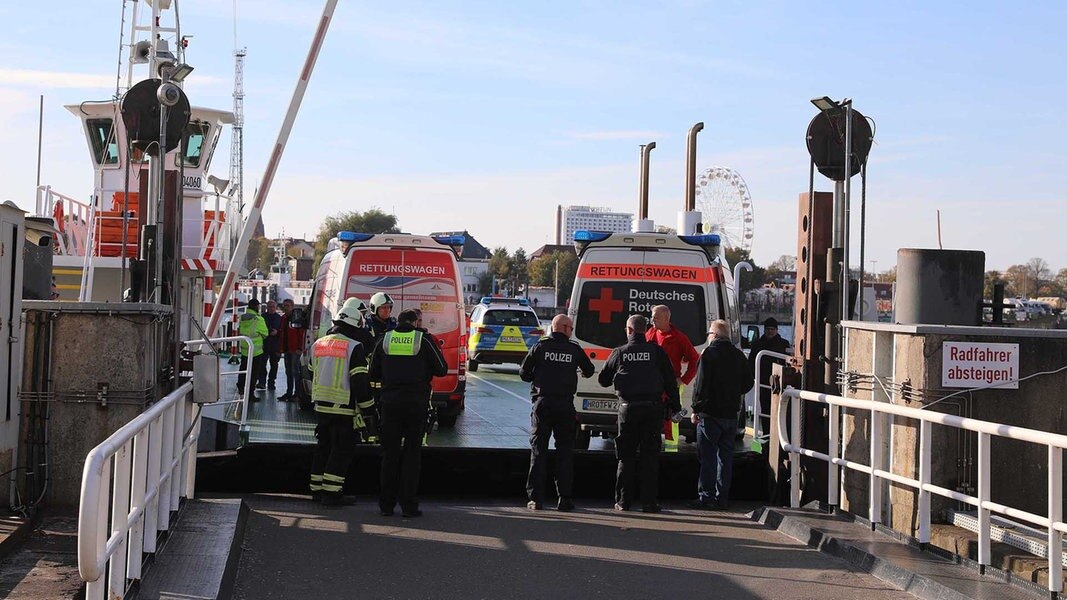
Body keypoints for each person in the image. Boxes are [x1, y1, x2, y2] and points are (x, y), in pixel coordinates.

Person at [370, 309, 448, 517]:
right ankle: (408, 506)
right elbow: (441, 368)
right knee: (412, 455)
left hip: (390, 404)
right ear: (414, 322)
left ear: (399, 321)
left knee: (389, 455)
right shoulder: (423, 339)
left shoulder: (385, 339)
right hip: (416, 405)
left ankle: (386, 505)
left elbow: (373, 371)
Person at [598, 314, 679, 513]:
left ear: (629, 330)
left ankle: (623, 502)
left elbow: (603, 380)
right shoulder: (657, 352)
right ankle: (649, 503)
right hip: (653, 410)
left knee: (626, 456)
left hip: (628, 410)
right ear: (645, 330)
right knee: (650, 457)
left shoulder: (620, 352)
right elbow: (670, 381)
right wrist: (676, 407)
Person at [519, 314, 595, 512]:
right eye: (570, 328)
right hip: (564, 406)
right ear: (563, 327)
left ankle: (536, 499)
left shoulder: (540, 347)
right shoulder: (574, 349)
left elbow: (523, 374)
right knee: (565, 452)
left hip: (542, 404)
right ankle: (565, 499)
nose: (571, 331)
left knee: (538, 451)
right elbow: (589, 370)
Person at [308, 298, 374, 506]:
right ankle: (332, 493)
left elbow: (310, 373)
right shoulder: (354, 347)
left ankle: (317, 490)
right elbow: (359, 382)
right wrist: (369, 409)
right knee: (341, 449)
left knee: (323, 447)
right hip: (343, 408)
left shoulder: (317, 344)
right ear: (355, 326)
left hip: (320, 406)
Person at [689, 319, 753, 510]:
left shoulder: (708, 354)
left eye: (709, 333)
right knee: (725, 458)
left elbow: (700, 385)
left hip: (710, 414)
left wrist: (696, 409)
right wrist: (734, 393)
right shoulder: (738, 355)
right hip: (731, 414)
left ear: (714, 335)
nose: (708, 337)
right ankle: (722, 497)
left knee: (708, 456)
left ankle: (706, 498)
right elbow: (748, 383)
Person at [645, 305, 700, 450]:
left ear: (666, 319)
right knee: (650, 418)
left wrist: (683, 380)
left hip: (672, 386)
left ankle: (671, 450)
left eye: (655, 317)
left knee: (671, 420)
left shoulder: (679, 338)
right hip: (652, 385)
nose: (652, 320)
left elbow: (695, 360)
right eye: (652, 316)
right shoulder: (650, 334)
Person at [747, 317, 791, 438]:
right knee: (765, 410)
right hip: (763, 383)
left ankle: (779, 436)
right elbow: (751, 362)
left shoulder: (784, 344)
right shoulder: (757, 344)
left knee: (780, 410)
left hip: (780, 383)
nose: (770, 331)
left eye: (772, 329)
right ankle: (766, 436)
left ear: (777, 330)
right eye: (767, 329)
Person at [237, 298, 269, 399]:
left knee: (243, 369)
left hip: (244, 349)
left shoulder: (242, 317)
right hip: (256, 351)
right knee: (253, 373)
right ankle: (250, 393)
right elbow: (265, 333)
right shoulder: (258, 319)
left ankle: (241, 387)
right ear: (256, 307)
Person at [278, 299, 304, 401]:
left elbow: (300, 333)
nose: (285, 307)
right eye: (284, 305)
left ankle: (297, 394)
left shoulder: (296, 318)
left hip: (294, 349)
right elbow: (282, 335)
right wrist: (280, 349)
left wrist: (299, 348)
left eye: (288, 305)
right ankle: (289, 392)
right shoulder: (283, 318)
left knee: (295, 372)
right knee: (288, 371)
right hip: (286, 349)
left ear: (292, 306)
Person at [262, 299, 282, 392]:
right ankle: (262, 382)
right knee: (262, 365)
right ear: (267, 308)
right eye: (270, 307)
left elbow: (282, 331)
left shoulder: (279, 318)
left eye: (273, 307)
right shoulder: (262, 317)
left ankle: (271, 382)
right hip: (264, 345)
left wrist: (277, 332)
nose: (271, 309)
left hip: (275, 345)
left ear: (276, 307)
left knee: (274, 365)